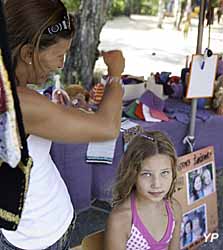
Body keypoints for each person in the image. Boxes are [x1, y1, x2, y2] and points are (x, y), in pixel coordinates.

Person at [0, 0, 125, 249]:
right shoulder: (22, 103)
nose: (61, 64)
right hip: (38, 234)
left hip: (34, 224)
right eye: (59, 54)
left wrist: (61, 114)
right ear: (27, 54)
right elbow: (107, 128)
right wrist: (116, 74)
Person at [104, 131, 182, 250]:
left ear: (173, 173)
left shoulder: (174, 208)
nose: (157, 184)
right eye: (147, 174)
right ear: (132, 175)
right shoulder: (121, 219)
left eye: (164, 173)